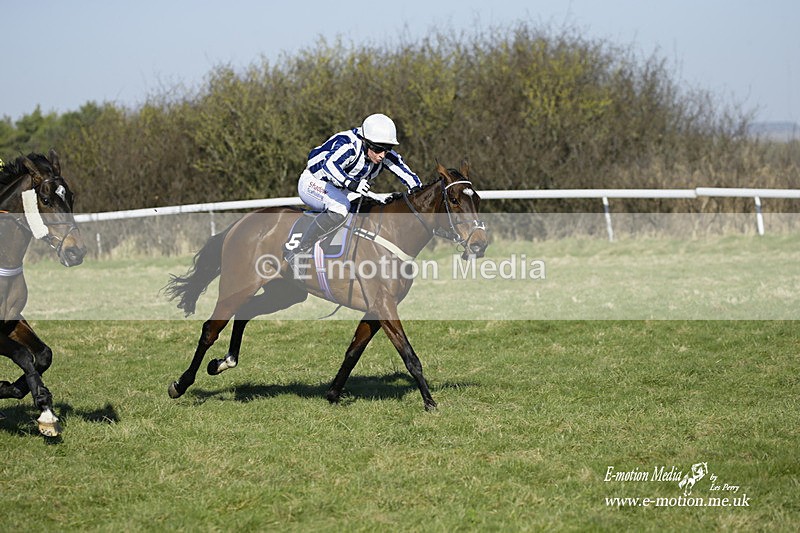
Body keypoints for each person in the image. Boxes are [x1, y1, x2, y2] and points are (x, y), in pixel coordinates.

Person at [285, 113, 422, 276]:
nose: (382, 155)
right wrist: (352, 183)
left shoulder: (382, 152)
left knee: (376, 203)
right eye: (378, 149)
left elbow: (406, 174)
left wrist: (418, 193)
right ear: (366, 142)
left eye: (387, 149)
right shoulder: (349, 145)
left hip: (342, 188)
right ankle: (299, 251)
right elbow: (329, 166)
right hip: (314, 182)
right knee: (340, 207)